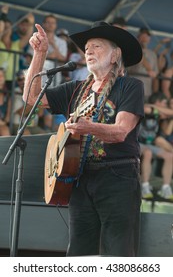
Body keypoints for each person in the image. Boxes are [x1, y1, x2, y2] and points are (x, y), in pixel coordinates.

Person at [23, 21, 144, 257]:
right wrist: (39, 54)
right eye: (86, 47)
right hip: (80, 177)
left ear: (115, 55)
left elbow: (121, 131)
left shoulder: (130, 86)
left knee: (118, 253)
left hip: (117, 177)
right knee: (79, 254)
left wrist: (89, 127)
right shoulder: (76, 89)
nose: (88, 51)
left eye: (96, 46)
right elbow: (31, 97)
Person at [128, 27, 158, 102]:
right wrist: (149, 70)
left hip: (147, 91)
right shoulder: (132, 50)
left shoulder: (153, 54)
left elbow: (155, 74)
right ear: (138, 37)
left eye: (147, 36)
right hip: (132, 88)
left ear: (149, 39)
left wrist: (155, 92)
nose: (144, 38)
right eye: (142, 36)